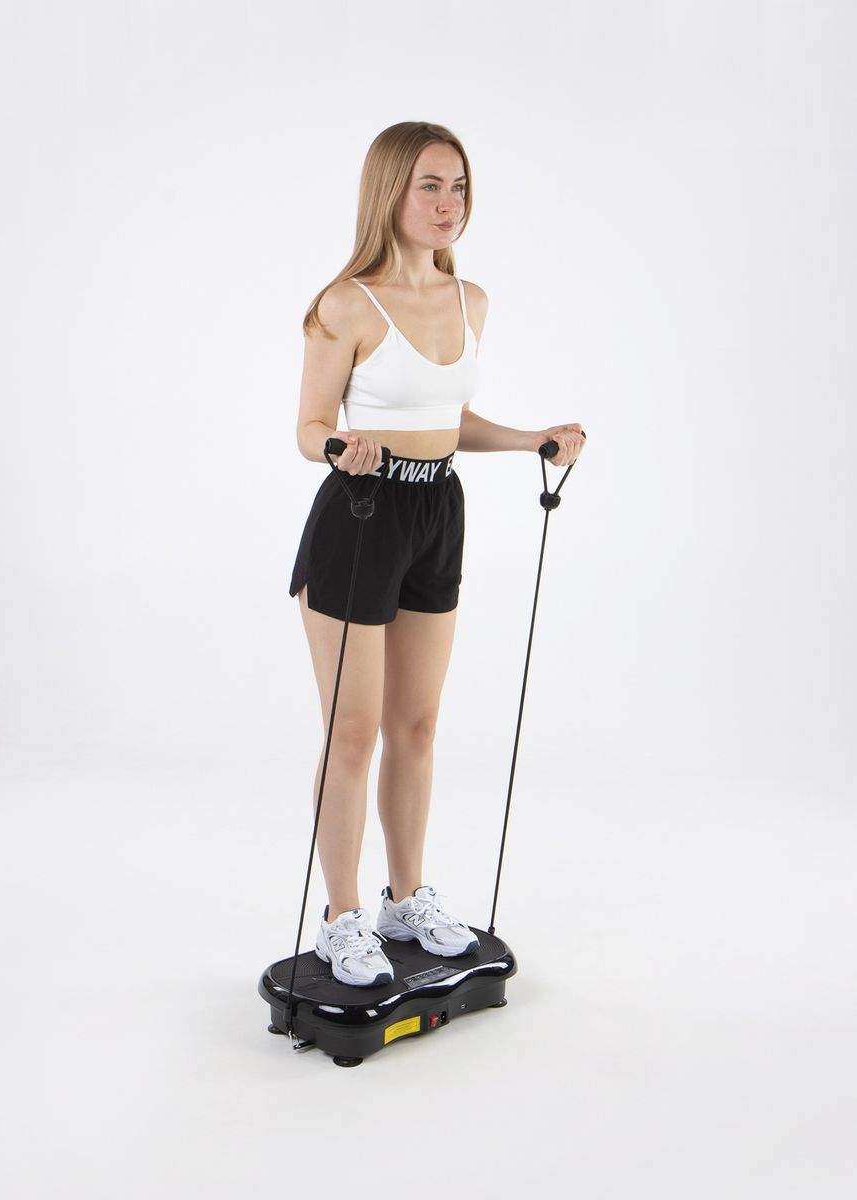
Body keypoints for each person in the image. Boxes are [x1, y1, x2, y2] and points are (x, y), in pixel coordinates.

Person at [290, 121, 585, 986]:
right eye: (430, 184)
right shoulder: (345, 303)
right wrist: (340, 446)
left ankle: (404, 899)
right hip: (360, 514)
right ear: (391, 190)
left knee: (416, 727)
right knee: (353, 733)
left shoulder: (469, 300)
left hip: (436, 511)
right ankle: (342, 918)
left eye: (458, 185)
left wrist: (531, 439)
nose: (448, 202)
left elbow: (445, 420)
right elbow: (308, 428)